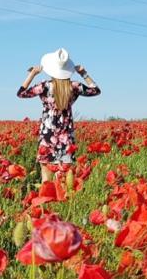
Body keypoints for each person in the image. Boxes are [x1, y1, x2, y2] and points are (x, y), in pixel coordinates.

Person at [17, 48, 100, 181]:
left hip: (47, 137)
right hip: (66, 138)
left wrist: (32, 74)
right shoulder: (74, 86)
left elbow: (21, 93)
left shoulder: (44, 86)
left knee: (46, 181)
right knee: (66, 181)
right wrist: (83, 73)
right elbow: (96, 90)